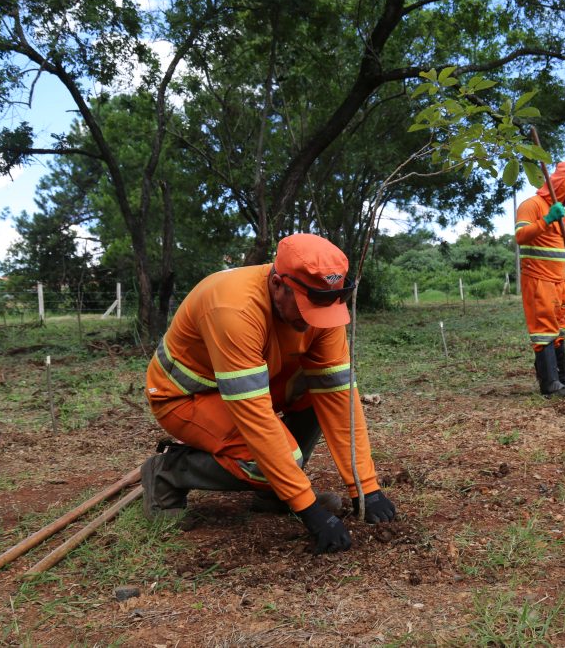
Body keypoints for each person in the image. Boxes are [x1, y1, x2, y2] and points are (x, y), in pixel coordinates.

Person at [142, 233, 396, 554]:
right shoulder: (234, 308)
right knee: (268, 462)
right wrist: (307, 508)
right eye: (306, 309)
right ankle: (168, 473)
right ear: (277, 284)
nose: (314, 322)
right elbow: (256, 420)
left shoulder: (323, 302)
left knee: (318, 393)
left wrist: (366, 489)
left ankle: (274, 491)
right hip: (187, 396)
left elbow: (337, 396)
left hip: (253, 384)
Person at [514, 161, 565, 397]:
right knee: (544, 330)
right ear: (558, 184)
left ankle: (563, 379)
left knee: (559, 329)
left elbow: (559, 243)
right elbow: (520, 236)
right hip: (538, 278)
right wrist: (547, 219)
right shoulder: (531, 205)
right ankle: (549, 384)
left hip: (559, 280)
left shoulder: (562, 212)